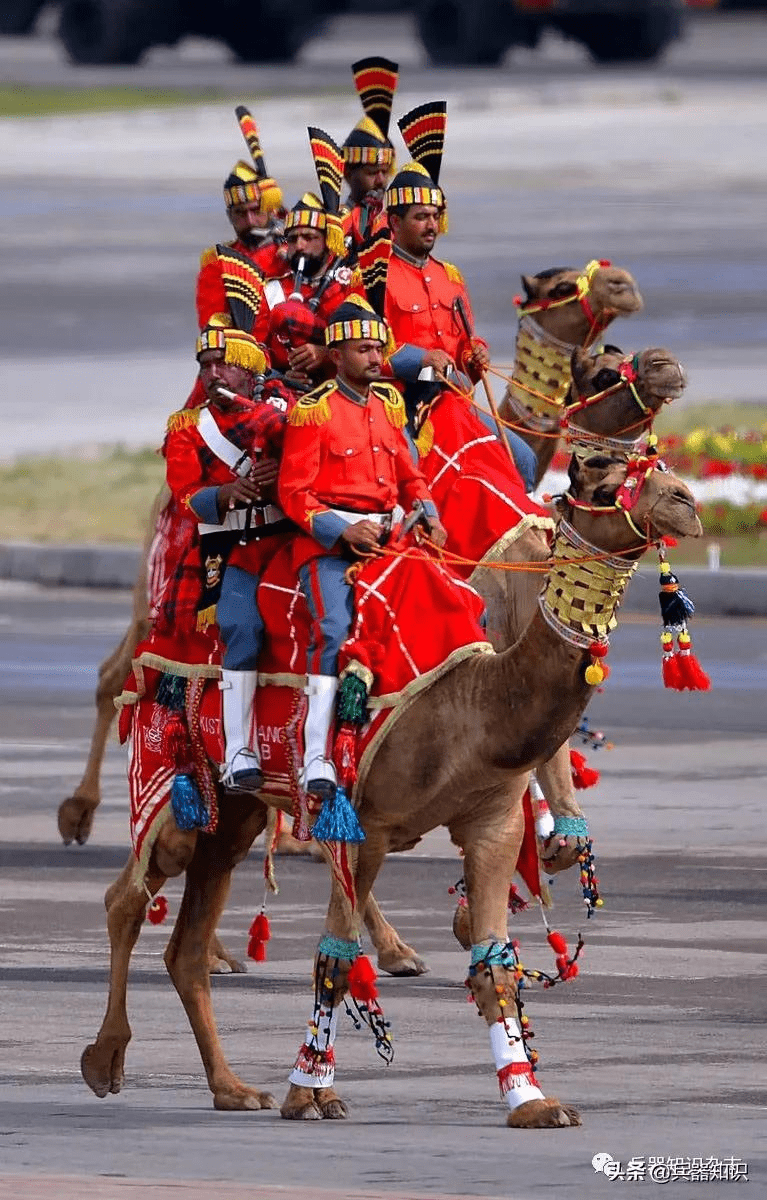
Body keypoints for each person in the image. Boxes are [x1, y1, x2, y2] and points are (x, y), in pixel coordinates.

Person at [278, 296, 446, 797]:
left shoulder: (390, 406)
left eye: (379, 349)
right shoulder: (313, 412)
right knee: (332, 630)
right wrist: (340, 531)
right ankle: (315, 757)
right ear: (336, 355)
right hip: (329, 550)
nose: (376, 358)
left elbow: (410, 475)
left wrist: (431, 517)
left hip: (390, 542)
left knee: (450, 610)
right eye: (364, 350)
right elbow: (293, 493)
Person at [162, 316, 290, 791]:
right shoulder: (188, 429)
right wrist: (225, 493)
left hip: (287, 539)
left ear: (250, 369)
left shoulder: (285, 412)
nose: (213, 374)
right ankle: (238, 749)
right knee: (242, 626)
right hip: (231, 547)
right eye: (206, 365)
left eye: (224, 364)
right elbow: (184, 495)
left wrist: (283, 470)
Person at [383, 102, 537, 490]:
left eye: (435, 216)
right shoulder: (375, 276)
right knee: (409, 476)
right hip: (404, 402)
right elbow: (370, 350)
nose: (431, 224)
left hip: (454, 399)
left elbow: (465, 340)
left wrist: (475, 355)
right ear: (395, 222)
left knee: (523, 460)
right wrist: (421, 359)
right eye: (420, 217)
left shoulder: (449, 276)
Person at [254, 128, 352, 389]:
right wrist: (281, 375)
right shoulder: (272, 288)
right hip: (286, 390)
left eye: (309, 237)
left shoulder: (349, 284)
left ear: (328, 240)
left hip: (341, 389)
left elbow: (365, 344)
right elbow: (258, 346)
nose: (300, 245)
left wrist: (324, 355)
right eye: (293, 238)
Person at [196, 106, 286, 328]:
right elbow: (212, 325)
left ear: (270, 208)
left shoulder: (296, 248)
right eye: (240, 213)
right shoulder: (218, 264)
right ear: (229, 216)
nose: (249, 220)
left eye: (255, 210)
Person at [341, 56, 399, 261]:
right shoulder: (334, 225)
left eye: (385, 171)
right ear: (347, 173)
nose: (381, 180)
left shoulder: (398, 223)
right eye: (373, 173)